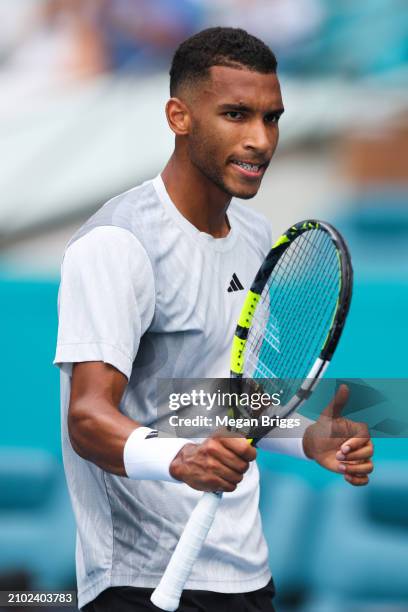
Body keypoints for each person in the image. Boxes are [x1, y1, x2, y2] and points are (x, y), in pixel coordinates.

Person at [54, 27, 374, 612]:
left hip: (246, 578)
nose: (260, 140)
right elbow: (88, 418)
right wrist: (179, 459)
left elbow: (220, 402)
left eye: (271, 118)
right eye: (235, 114)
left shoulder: (257, 238)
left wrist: (308, 438)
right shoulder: (116, 243)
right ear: (179, 116)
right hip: (138, 581)